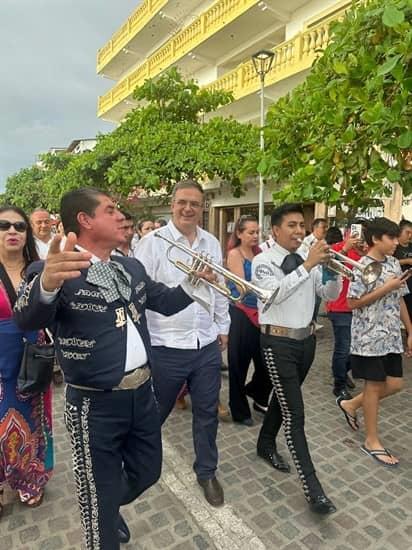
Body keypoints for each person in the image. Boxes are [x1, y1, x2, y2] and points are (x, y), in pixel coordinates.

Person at [14, 188, 212, 549]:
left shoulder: (129, 265)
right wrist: (45, 285)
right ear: (85, 220)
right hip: (93, 404)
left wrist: (194, 280)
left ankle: (102, 505)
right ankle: (101, 514)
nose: (122, 216)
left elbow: (164, 303)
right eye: (111, 210)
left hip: (141, 395)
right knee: (101, 517)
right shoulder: (55, 268)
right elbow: (28, 318)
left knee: (148, 471)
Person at [136, 179, 230, 507]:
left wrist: (223, 325)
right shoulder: (152, 243)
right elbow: (141, 292)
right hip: (166, 344)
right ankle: (138, 464)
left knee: (206, 411)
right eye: (182, 202)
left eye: (194, 203)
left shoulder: (211, 243)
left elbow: (218, 287)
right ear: (172, 204)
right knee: (155, 412)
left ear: (202, 207)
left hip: (204, 342)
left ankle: (206, 471)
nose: (188, 208)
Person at [252, 203, 341, 515]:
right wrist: (307, 265)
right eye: (291, 225)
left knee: (284, 400)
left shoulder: (311, 259)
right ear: (275, 230)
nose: (299, 231)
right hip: (277, 341)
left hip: (307, 342)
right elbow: (270, 295)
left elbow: (328, 296)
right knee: (296, 415)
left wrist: (330, 272)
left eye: (301, 225)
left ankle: (264, 443)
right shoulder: (263, 260)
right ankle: (314, 489)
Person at [336, 218, 412, 467]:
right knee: (374, 385)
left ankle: (350, 404)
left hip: (390, 336)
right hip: (368, 337)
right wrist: (385, 288)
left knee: (396, 384)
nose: (396, 242)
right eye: (391, 238)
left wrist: (410, 330)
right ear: (376, 239)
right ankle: (371, 440)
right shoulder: (361, 266)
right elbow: (352, 303)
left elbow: (400, 298)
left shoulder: (392, 263)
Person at [0, 205, 53, 515]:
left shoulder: (40, 268)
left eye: (19, 226)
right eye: (4, 225)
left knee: (31, 424)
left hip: (33, 361)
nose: (12, 231)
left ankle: (30, 479)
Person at [226, 215, 271, 425]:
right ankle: (239, 410)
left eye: (257, 232)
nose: (255, 236)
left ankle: (255, 393)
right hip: (242, 313)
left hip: (262, 312)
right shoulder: (234, 254)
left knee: (266, 364)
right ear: (239, 234)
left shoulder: (260, 253)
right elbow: (243, 287)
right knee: (239, 365)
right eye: (251, 232)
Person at [325, 226, 365, 399]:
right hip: (339, 307)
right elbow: (328, 269)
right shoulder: (336, 248)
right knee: (343, 347)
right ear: (348, 234)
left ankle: (341, 370)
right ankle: (339, 384)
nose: (360, 239)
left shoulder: (365, 252)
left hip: (358, 306)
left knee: (357, 348)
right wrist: (345, 249)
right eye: (356, 234)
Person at [302, 218, 328, 326]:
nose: (326, 230)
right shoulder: (306, 242)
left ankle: (314, 322)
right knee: (311, 302)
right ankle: (309, 323)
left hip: (320, 276)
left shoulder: (324, 243)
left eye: (326, 227)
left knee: (317, 302)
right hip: (310, 275)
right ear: (315, 228)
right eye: (323, 227)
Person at [394, 218, 412, 322]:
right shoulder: (394, 246)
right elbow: (389, 262)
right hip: (400, 285)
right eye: (407, 232)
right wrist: (406, 261)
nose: (409, 236)